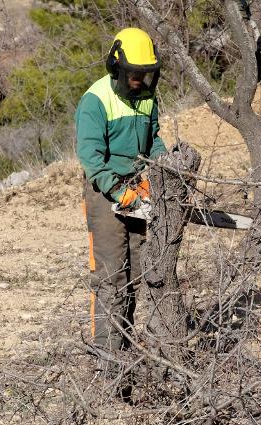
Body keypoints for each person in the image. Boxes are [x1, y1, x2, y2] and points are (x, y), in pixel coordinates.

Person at [75, 28, 166, 366]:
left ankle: (135, 350)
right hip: (104, 193)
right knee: (112, 277)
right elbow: (90, 157)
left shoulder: (147, 97)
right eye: (132, 74)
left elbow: (153, 139)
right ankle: (107, 362)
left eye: (144, 74)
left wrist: (164, 164)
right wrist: (118, 190)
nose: (138, 81)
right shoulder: (95, 100)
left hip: (138, 186)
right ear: (117, 67)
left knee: (144, 271)